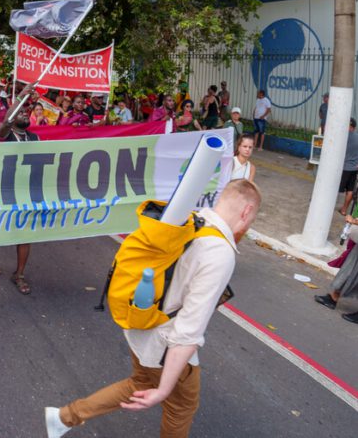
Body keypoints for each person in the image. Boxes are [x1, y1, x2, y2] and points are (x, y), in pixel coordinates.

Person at [45, 179, 262, 438]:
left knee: (139, 383)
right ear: (247, 211)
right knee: (180, 408)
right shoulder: (219, 252)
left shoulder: (189, 221)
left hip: (140, 323)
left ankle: (64, 417)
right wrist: (164, 389)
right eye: (251, 220)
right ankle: (65, 417)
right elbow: (188, 330)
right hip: (164, 345)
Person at [0, 97, 37, 294]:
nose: (25, 114)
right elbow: (5, 123)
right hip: (4, 189)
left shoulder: (35, 138)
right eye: (20, 112)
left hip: (25, 191)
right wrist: (21, 97)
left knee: (25, 233)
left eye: (26, 112)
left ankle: (19, 274)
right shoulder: (4, 134)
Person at [336, 118, 358, 218]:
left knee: (336, 188)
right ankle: (344, 210)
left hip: (344, 168)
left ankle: (328, 206)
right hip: (354, 168)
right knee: (350, 190)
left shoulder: (343, 136)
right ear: (354, 127)